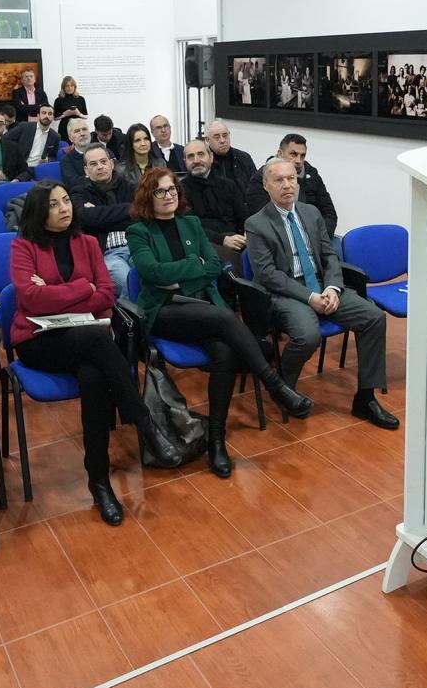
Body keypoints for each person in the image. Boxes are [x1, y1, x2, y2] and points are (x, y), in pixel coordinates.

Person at [8, 180, 182, 523]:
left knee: (93, 376)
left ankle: (99, 482)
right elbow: (29, 299)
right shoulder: (23, 246)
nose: (64, 208)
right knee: (97, 340)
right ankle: (144, 423)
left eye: (66, 201)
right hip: (39, 341)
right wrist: (79, 288)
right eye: (54, 204)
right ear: (38, 212)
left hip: (85, 338)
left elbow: (105, 294)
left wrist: (58, 293)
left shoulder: (87, 242)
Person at [127, 168, 311, 477]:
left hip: (200, 305)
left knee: (225, 352)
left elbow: (213, 266)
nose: (169, 195)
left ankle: (216, 440)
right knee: (225, 317)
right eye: (161, 191)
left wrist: (185, 271)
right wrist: (191, 265)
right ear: (148, 196)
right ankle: (274, 384)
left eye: (172, 189)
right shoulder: (139, 231)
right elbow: (151, 273)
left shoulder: (191, 223)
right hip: (164, 311)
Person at [244, 160, 396, 429]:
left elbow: (329, 256)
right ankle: (282, 386)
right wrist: (309, 297)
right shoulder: (256, 223)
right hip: (286, 291)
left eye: (291, 178)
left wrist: (333, 287)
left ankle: (365, 398)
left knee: (373, 316)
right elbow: (268, 274)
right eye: (279, 180)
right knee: (307, 335)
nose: (287, 185)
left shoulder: (311, 213)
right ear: (266, 185)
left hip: (323, 286)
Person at [69, 145, 135, 291]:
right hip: (107, 253)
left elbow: (141, 215)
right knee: (127, 282)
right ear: (86, 171)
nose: (100, 167)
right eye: (93, 164)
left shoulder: (130, 188)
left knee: (148, 277)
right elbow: (84, 219)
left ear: (111, 164)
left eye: (103, 162)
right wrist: (128, 209)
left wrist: (99, 216)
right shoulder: (79, 192)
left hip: (137, 246)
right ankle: (130, 314)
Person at [182, 139, 247, 262]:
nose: (196, 160)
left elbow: (243, 217)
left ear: (211, 157)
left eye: (201, 154)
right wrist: (223, 240)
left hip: (235, 239)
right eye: (191, 157)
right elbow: (189, 227)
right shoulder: (180, 190)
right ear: (185, 162)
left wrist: (245, 236)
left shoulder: (229, 185)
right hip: (204, 242)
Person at [263, 134, 338, 237]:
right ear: (280, 154)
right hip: (280, 237)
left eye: (302, 156)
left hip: (314, 235)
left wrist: (320, 237)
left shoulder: (312, 175)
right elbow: (260, 217)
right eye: (293, 154)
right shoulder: (264, 177)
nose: (298, 161)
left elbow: (329, 212)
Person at [205, 120, 260, 207]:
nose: (222, 140)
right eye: (217, 137)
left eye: (225, 135)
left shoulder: (244, 157)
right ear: (207, 140)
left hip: (246, 209)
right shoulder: (204, 162)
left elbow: (256, 187)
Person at [4, 103, 60, 168]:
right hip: (22, 167)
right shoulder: (24, 127)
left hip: (41, 168)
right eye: (44, 113)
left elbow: (53, 157)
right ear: (38, 115)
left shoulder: (56, 136)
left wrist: (48, 160)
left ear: (53, 117)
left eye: (50, 114)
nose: (47, 116)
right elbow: (5, 138)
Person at [58, 115, 95, 191]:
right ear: (70, 138)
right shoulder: (66, 160)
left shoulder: (103, 151)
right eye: (77, 131)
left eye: (84, 129)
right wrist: (97, 176)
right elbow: (73, 183)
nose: (82, 134)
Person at [118, 122, 161, 187]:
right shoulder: (121, 170)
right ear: (130, 144)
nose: (143, 143)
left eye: (146, 139)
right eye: (137, 140)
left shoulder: (160, 164)